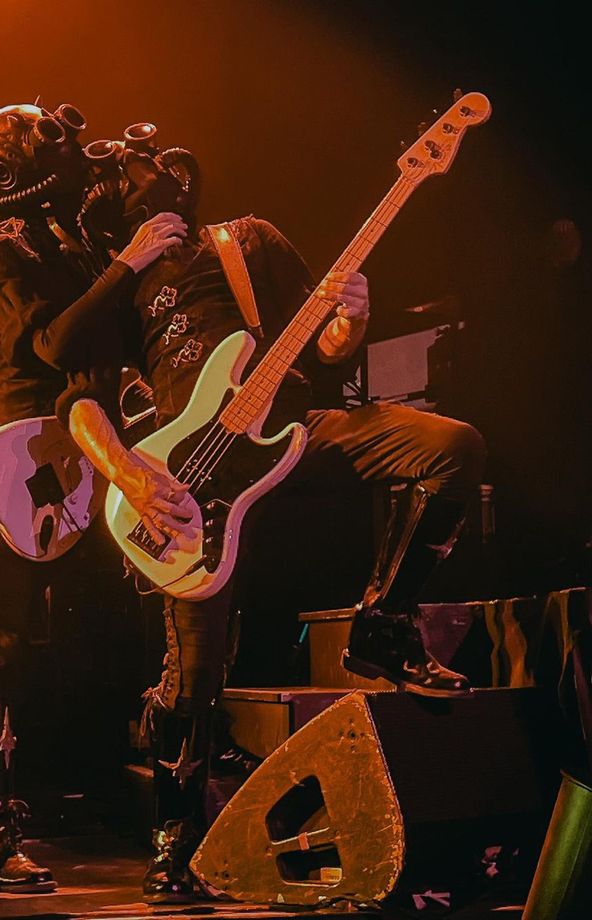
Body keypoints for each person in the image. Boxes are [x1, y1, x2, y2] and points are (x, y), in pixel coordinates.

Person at [65, 132, 487, 901]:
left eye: (145, 170)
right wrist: (127, 470)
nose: (137, 182)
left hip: (294, 433)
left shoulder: (245, 241)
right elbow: (82, 404)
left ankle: (384, 622)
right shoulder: (118, 289)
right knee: (192, 673)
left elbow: (327, 349)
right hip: (187, 486)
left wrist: (350, 320)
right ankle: (175, 837)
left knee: (451, 447)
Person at [0, 101, 188, 893]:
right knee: (2, 654)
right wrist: (127, 266)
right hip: (29, 466)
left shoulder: (79, 246)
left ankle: (176, 826)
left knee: (158, 608)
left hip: (101, 454)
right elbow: (49, 342)